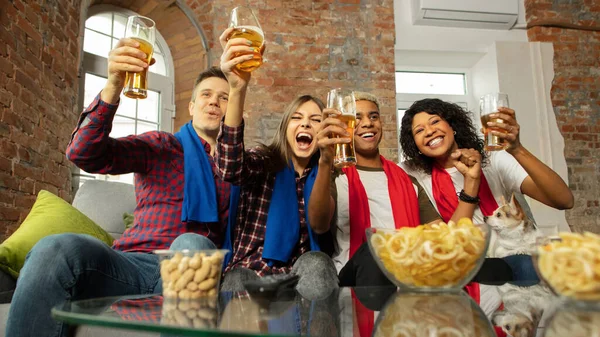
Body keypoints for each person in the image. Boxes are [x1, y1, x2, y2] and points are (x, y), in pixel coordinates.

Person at [6, 38, 234, 337]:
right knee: (54, 247)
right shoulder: (162, 145)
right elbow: (84, 154)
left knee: (191, 244)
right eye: (206, 94)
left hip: (191, 265)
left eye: (224, 97)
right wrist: (113, 85)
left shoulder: (240, 169)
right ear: (191, 106)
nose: (214, 101)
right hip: (129, 265)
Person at [215, 28, 340, 297]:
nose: (306, 122)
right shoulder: (263, 162)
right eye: (296, 118)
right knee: (236, 278)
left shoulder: (327, 174)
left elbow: (321, 225)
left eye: (315, 120)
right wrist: (237, 89)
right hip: (251, 270)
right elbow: (229, 166)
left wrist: (328, 162)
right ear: (285, 129)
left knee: (319, 263)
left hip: (301, 277)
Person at [399, 98, 574, 280]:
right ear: (415, 144)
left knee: (531, 267)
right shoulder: (411, 173)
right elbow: (448, 245)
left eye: (435, 121)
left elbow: (564, 200)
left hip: (509, 259)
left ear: (452, 126)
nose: (429, 131)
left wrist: (517, 149)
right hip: (460, 264)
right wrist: (471, 183)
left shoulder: (492, 159)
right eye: (419, 130)